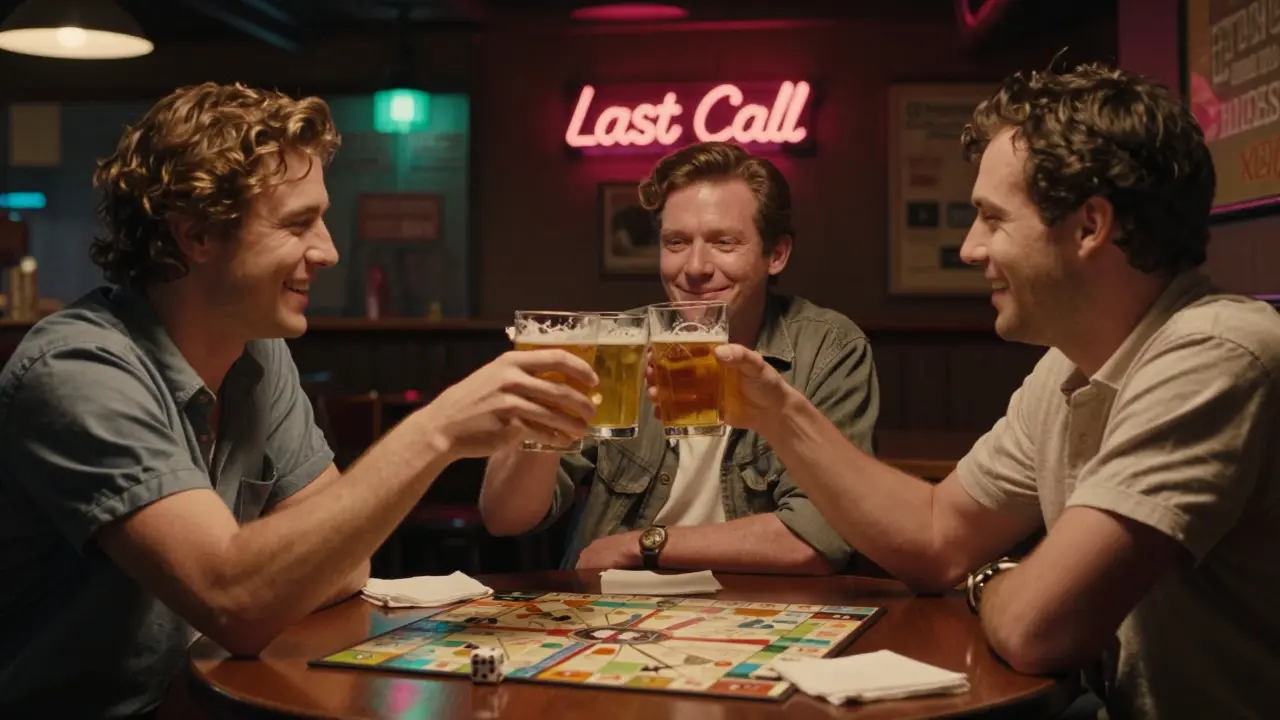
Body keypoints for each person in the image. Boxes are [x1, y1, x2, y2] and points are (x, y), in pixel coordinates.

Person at [0, 83, 597, 718]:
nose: (329, 250)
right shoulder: (79, 370)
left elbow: (344, 562)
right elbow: (238, 604)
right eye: (296, 223)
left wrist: (266, 568)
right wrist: (438, 431)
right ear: (197, 234)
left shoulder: (256, 351)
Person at [702, 63, 1280, 718]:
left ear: (1090, 225)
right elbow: (935, 535)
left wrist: (991, 582)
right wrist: (778, 413)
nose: (970, 248)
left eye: (992, 219)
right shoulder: (1069, 366)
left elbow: (1040, 628)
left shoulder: (1217, 353)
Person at [480, 141, 879, 573]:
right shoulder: (615, 344)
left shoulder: (827, 348)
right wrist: (540, 421)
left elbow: (818, 540)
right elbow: (506, 518)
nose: (695, 267)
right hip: (613, 614)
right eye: (676, 242)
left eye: (723, 242)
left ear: (776, 254)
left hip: (761, 612)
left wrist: (643, 545)